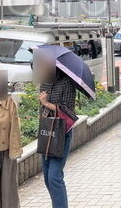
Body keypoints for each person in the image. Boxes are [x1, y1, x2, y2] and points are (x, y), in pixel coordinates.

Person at [38, 65, 77, 208]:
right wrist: (43, 106)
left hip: (61, 133)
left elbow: (68, 111)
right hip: (46, 131)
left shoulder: (67, 83)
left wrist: (46, 103)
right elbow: (42, 108)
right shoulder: (45, 82)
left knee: (54, 177)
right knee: (47, 178)